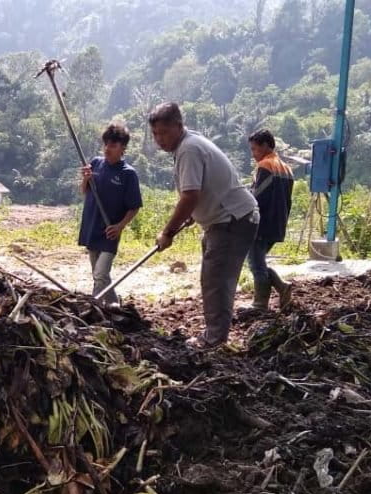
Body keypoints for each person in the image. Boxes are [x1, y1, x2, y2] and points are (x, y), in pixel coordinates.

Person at [149, 102, 259, 349]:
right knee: (214, 277)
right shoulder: (188, 143)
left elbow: (190, 196)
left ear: (179, 126)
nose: (159, 139)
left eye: (164, 133)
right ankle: (215, 334)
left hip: (232, 219)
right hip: (223, 220)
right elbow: (201, 191)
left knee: (216, 279)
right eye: (155, 134)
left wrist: (167, 232)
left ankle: (213, 341)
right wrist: (191, 216)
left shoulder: (188, 149)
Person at [78, 123, 143, 305]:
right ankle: (114, 305)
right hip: (92, 226)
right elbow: (84, 191)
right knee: (100, 275)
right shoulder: (95, 164)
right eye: (106, 144)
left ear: (123, 148)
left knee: (100, 274)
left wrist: (120, 226)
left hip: (110, 231)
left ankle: (94, 307)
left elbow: (134, 206)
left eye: (113, 145)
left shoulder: (128, 174)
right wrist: (86, 179)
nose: (108, 149)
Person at [246, 129, 294, 310]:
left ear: (266, 146)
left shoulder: (266, 166)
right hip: (278, 224)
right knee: (259, 261)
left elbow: (256, 197)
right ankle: (282, 287)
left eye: (255, 149)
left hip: (262, 224)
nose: (253, 154)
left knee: (256, 264)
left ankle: (260, 303)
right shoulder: (286, 168)